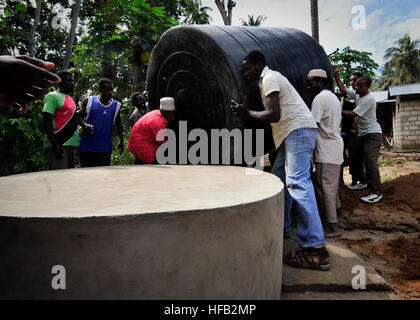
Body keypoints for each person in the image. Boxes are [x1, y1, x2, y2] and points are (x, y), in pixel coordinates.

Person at [231, 50, 330, 271]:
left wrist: (247, 113)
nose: (244, 72)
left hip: (297, 130)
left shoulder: (270, 78)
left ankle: (315, 249)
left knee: (297, 183)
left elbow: (273, 114)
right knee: (278, 179)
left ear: (258, 65)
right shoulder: (268, 79)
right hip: (291, 133)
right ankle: (281, 227)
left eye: (247, 68)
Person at [334, 66, 383, 204]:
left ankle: (377, 191)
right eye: (356, 85)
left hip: (372, 135)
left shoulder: (368, 99)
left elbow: (353, 114)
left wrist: (336, 108)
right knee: (355, 158)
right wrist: (336, 75)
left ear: (367, 87)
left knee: (371, 163)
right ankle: (365, 182)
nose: (356, 88)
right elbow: (344, 90)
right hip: (362, 135)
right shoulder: (358, 94)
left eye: (359, 86)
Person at [307, 69, 343, 238]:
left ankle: (332, 226)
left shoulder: (319, 99)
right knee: (333, 188)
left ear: (320, 82)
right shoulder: (334, 98)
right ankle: (336, 213)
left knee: (325, 188)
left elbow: (312, 126)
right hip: (335, 149)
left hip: (326, 152)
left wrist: (307, 152)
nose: (309, 86)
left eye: (311, 82)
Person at [77, 78, 124, 167]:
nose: (110, 92)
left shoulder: (116, 105)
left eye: (111, 90)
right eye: (107, 90)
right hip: (87, 147)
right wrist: (84, 125)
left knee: (102, 176)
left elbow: (118, 124)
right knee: (86, 175)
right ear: (100, 90)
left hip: (104, 148)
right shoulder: (89, 101)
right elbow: (78, 115)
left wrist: (121, 140)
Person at [42, 71, 79, 170]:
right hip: (58, 144)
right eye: (68, 81)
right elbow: (47, 121)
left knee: (69, 180)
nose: (72, 83)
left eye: (73, 81)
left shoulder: (70, 99)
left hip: (70, 145)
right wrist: (55, 145)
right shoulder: (52, 96)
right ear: (59, 82)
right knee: (58, 179)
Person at [127, 97, 176, 164]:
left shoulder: (158, 112)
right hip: (140, 143)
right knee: (157, 164)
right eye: (170, 114)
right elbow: (163, 144)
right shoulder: (159, 122)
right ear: (162, 111)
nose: (172, 117)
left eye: (173, 114)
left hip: (143, 139)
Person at [341, 71, 365, 187]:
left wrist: (338, 110)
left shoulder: (362, 96)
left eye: (354, 80)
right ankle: (340, 180)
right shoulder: (347, 94)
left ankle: (357, 179)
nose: (352, 82)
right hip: (345, 130)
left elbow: (354, 114)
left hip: (356, 132)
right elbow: (340, 92)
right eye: (351, 80)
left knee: (355, 157)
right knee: (340, 155)